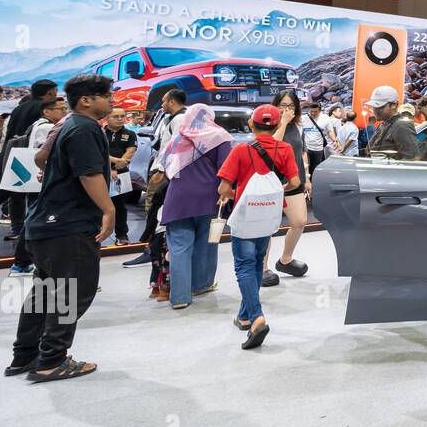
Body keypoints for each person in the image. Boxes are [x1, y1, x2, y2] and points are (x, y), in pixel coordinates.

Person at [5, 74, 114, 382]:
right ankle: (51, 360)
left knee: (44, 291)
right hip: (69, 225)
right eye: (107, 95)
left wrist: (56, 173)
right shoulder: (85, 127)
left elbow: (40, 158)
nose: (112, 101)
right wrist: (108, 208)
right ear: (86, 100)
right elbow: (90, 174)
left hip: (43, 224)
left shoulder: (63, 125)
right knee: (73, 293)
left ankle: (24, 355)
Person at [217, 105, 300, 350]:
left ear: (251, 125)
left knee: (244, 265)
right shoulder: (285, 148)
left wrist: (240, 194)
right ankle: (244, 316)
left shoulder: (241, 149)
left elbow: (223, 189)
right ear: (276, 126)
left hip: (245, 214)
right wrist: (274, 193)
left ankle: (256, 317)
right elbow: (294, 182)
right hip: (269, 214)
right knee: (256, 262)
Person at [161, 105, 233, 309]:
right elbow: (225, 170)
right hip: (210, 198)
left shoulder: (178, 137)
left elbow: (165, 166)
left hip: (178, 199)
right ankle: (201, 284)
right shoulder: (220, 136)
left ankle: (180, 298)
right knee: (208, 243)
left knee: (179, 248)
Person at [124, 88, 186, 276]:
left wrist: (164, 172)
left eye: (164, 101)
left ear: (173, 102)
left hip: (164, 172)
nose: (162, 104)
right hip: (166, 171)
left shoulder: (179, 119)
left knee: (155, 212)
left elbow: (177, 148)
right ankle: (153, 249)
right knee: (156, 212)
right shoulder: (176, 119)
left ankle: (151, 250)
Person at [5, 95, 68, 276]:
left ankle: (23, 263)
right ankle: (22, 263)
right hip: (43, 181)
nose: (65, 112)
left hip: (38, 180)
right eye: (61, 109)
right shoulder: (48, 127)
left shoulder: (37, 124)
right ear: (47, 111)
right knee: (35, 222)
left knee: (34, 220)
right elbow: (46, 155)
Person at [266, 90, 309, 285]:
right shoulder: (268, 125)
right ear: (276, 105)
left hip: (294, 182)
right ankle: (262, 267)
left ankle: (285, 259)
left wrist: (306, 176)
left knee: (299, 222)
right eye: (283, 105)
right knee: (266, 227)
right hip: (273, 182)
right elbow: (272, 146)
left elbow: (302, 152)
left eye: (291, 106)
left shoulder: (298, 127)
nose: (287, 109)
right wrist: (282, 122)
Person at [103, 108, 138, 244]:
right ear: (107, 118)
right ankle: (93, 235)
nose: (119, 118)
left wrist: (116, 167)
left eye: (122, 116)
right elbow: (98, 152)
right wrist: (112, 166)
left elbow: (129, 153)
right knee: (96, 204)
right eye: (115, 116)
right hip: (100, 173)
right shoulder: (99, 133)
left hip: (121, 175)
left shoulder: (130, 134)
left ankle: (122, 235)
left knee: (120, 206)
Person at [365, 86, 423, 159]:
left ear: (394, 105)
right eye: (374, 106)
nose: (375, 110)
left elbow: (414, 158)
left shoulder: (402, 126)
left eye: (380, 107)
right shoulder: (384, 124)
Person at [300, 100, 335, 177]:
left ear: (320, 110)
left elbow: (330, 131)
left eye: (315, 111)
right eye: (311, 111)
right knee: (306, 168)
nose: (313, 113)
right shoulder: (304, 118)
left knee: (315, 169)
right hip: (306, 149)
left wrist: (334, 140)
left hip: (318, 149)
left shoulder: (325, 118)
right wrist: (301, 104)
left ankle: (313, 184)